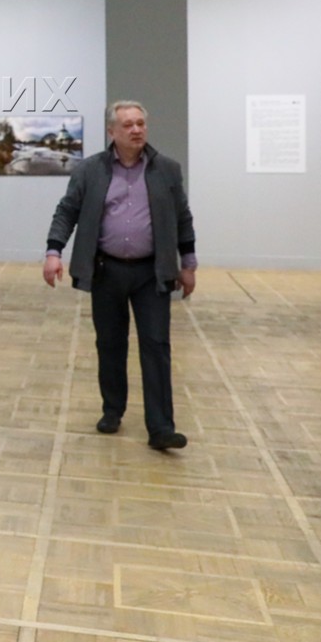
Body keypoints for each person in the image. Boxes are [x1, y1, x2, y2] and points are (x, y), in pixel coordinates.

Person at [43, 100, 197, 452]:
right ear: (111, 131)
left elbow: (182, 217)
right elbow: (67, 211)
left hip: (151, 272)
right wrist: (54, 251)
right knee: (110, 344)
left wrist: (188, 264)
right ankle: (112, 410)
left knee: (156, 345)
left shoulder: (167, 169)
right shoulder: (90, 170)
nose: (136, 130)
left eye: (141, 123)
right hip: (107, 271)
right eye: (128, 125)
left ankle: (161, 427)